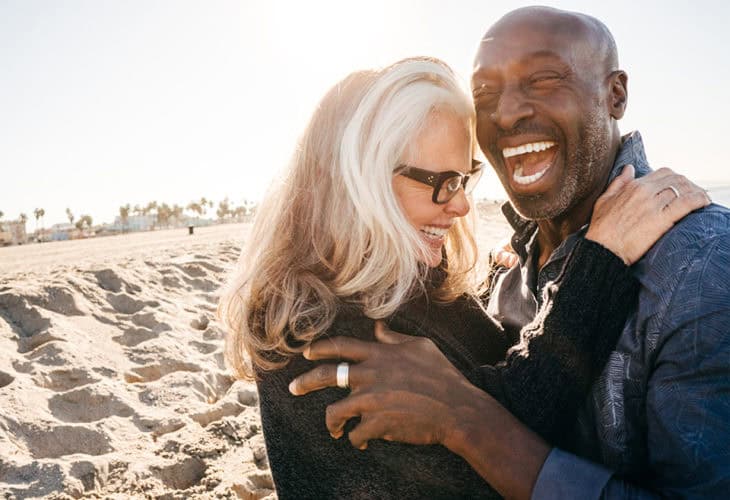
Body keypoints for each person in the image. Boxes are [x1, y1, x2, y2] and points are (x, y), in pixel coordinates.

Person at [289, 6, 730, 499]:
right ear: (358, 180)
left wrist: (467, 418)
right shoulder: (496, 272)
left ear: (616, 93)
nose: (505, 112)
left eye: (543, 79)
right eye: (484, 94)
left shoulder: (699, 266)